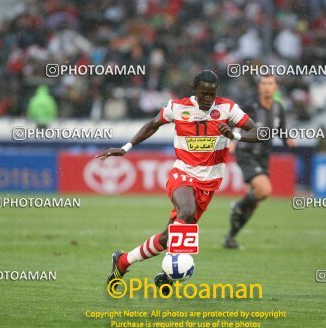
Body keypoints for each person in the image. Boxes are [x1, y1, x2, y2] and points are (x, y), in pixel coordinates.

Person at [97, 70, 262, 291]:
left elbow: (259, 132)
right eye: (203, 93)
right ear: (195, 90)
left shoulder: (227, 109)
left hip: (209, 182)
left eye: (212, 95)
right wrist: (126, 148)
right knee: (187, 213)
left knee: (169, 237)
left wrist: (236, 136)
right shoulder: (177, 107)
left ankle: (124, 261)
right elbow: (153, 124)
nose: (207, 99)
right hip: (183, 173)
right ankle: (171, 273)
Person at [224, 75, 296, 249]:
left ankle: (231, 237)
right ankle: (238, 205)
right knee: (264, 190)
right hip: (247, 153)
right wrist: (232, 140)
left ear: (276, 88)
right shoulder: (251, 106)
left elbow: (282, 131)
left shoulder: (279, 108)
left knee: (254, 203)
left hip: (263, 157)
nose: (266, 87)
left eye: (270, 84)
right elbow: (234, 123)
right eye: (263, 83)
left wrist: (288, 140)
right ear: (258, 88)